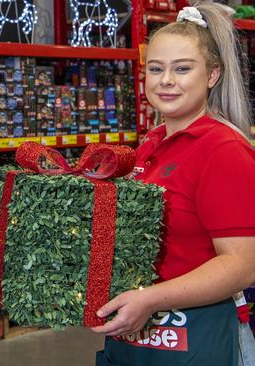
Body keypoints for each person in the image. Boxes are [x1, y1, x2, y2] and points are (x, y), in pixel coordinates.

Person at [92, 2, 255, 365]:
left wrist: (151, 299)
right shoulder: (150, 145)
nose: (166, 80)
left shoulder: (223, 150)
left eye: (182, 69)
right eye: (156, 69)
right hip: (139, 335)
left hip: (199, 334)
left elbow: (242, 265)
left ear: (213, 75)